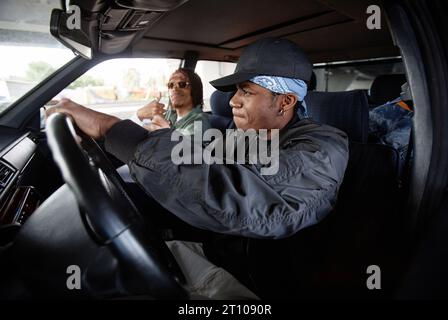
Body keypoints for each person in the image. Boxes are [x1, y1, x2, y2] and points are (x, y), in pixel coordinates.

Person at [46, 38, 349, 298]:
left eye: (246, 91)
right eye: (235, 91)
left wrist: (111, 128)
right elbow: (193, 156)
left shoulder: (322, 149)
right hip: (224, 255)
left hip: (262, 284)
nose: (232, 102)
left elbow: (241, 200)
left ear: (285, 101)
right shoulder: (248, 137)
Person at [130, 68, 210, 136]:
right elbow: (134, 133)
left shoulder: (200, 122)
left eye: (181, 84)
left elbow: (181, 149)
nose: (174, 89)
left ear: (195, 90)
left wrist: (159, 128)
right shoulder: (170, 115)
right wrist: (139, 115)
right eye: (170, 85)